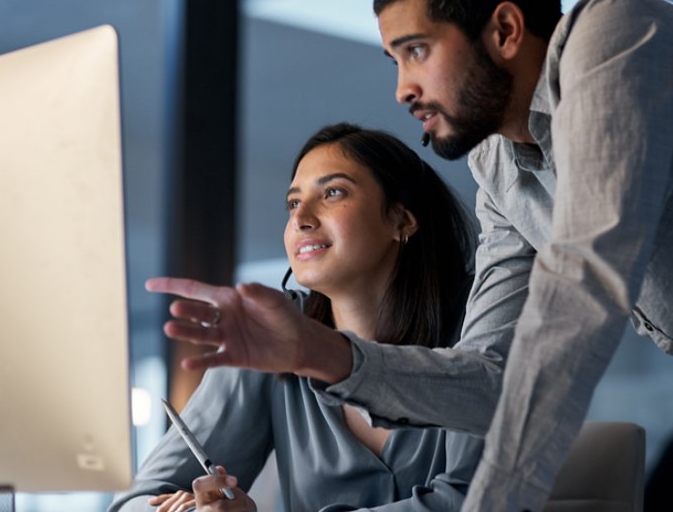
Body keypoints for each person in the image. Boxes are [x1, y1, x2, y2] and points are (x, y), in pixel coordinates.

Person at [158, 0, 673, 512]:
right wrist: (312, 353)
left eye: (416, 51)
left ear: (506, 32)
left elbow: (584, 290)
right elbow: (491, 380)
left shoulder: (616, 38)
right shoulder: (501, 170)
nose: (401, 90)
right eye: (394, 61)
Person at [107, 123, 482, 512]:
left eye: (333, 193)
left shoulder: (481, 322)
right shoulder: (268, 334)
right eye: (292, 202)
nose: (301, 217)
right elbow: (133, 503)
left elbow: (472, 501)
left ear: (402, 220)